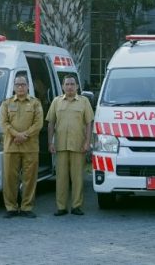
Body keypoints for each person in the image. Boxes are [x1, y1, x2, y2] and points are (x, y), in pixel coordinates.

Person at [47, 75, 93, 216]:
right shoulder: (56, 101)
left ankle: (76, 206)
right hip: (60, 145)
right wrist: (50, 142)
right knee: (61, 178)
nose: (70, 87)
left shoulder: (84, 102)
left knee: (77, 177)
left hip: (78, 145)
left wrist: (87, 142)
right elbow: (51, 123)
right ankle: (61, 207)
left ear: (77, 87)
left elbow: (89, 123)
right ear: (62, 86)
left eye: (72, 84)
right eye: (67, 84)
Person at [0, 75, 43, 218]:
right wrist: (16, 135)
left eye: (23, 84)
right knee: (10, 179)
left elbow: (38, 124)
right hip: (11, 147)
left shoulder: (35, 103)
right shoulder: (6, 104)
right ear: (13, 87)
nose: (20, 87)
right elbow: (4, 123)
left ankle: (26, 207)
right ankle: (11, 207)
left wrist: (24, 135)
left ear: (28, 86)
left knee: (29, 178)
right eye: (17, 84)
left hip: (30, 147)